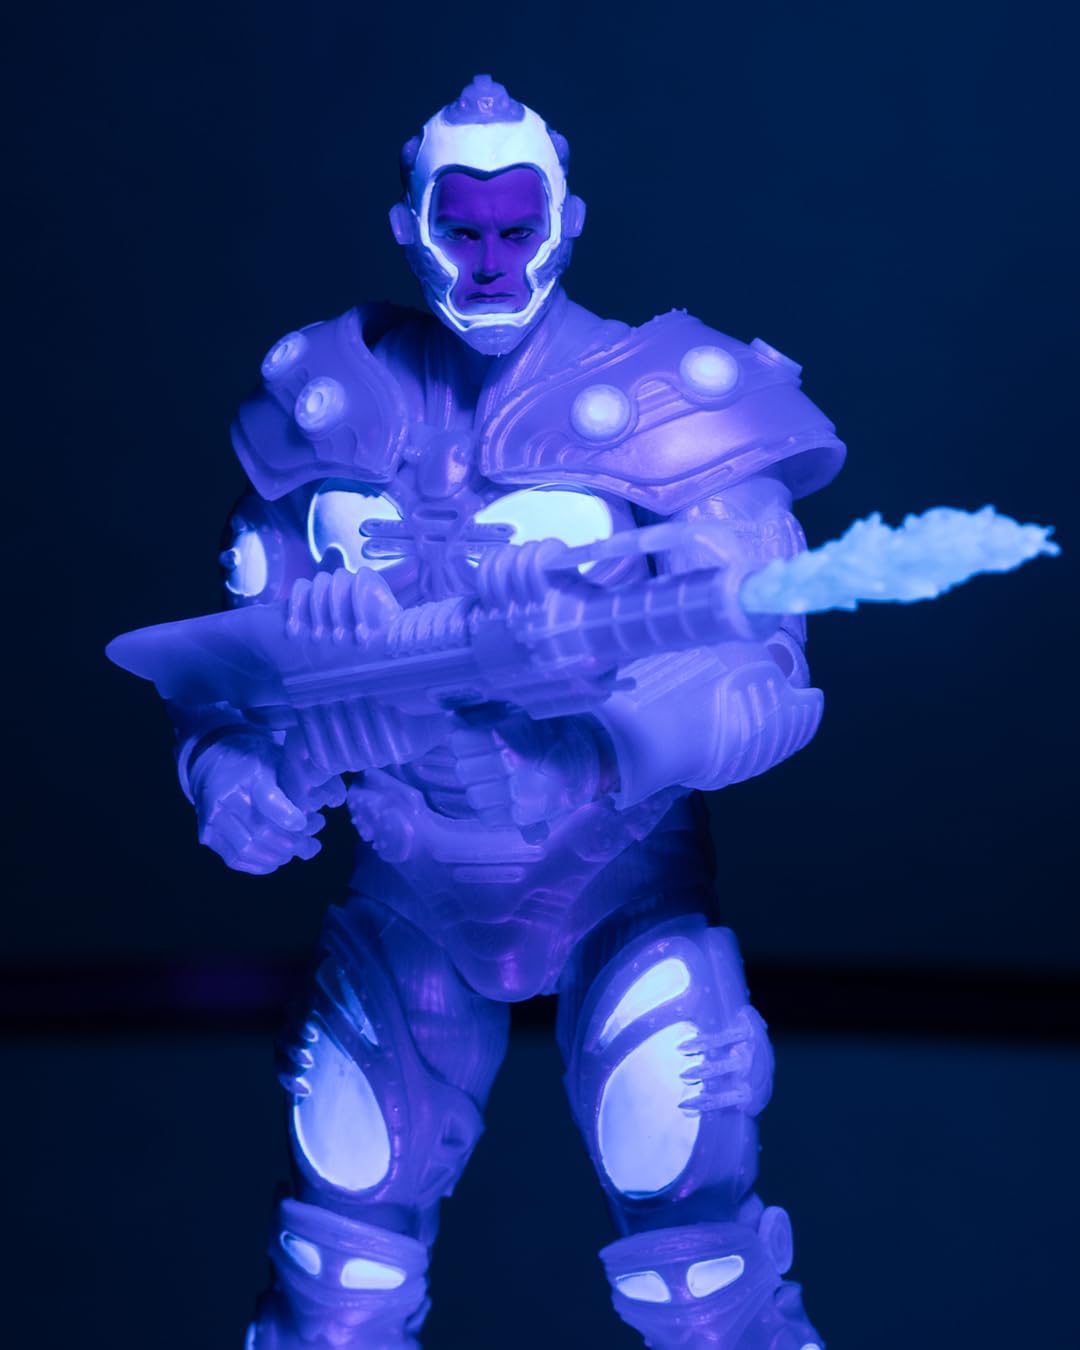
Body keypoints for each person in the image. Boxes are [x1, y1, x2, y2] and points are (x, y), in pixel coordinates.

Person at [185, 75, 844, 1349]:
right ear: (412, 227)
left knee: (696, 1257)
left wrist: (604, 741)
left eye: (515, 228)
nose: (489, 262)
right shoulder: (330, 405)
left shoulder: (670, 401)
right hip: (408, 881)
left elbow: (770, 675)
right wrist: (236, 780)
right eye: (462, 229)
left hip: (618, 872)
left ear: (565, 221)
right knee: (338, 1257)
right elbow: (231, 670)